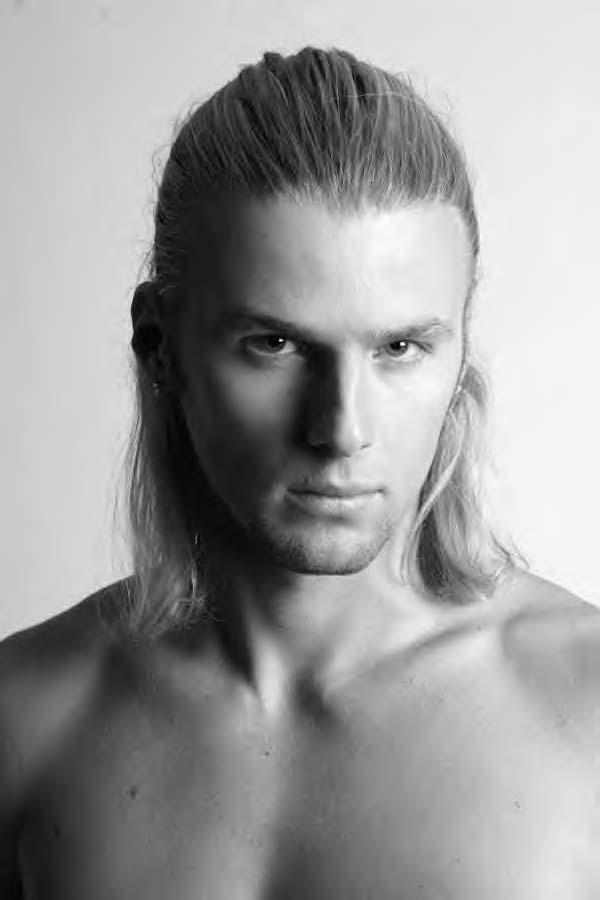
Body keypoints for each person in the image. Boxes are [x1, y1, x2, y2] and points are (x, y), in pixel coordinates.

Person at [1, 45, 599, 900]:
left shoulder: (585, 709)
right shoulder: (24, 720)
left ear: (460, 353)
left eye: (400, 348)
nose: (341, 429)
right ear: (159, 344)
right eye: (275, 344)